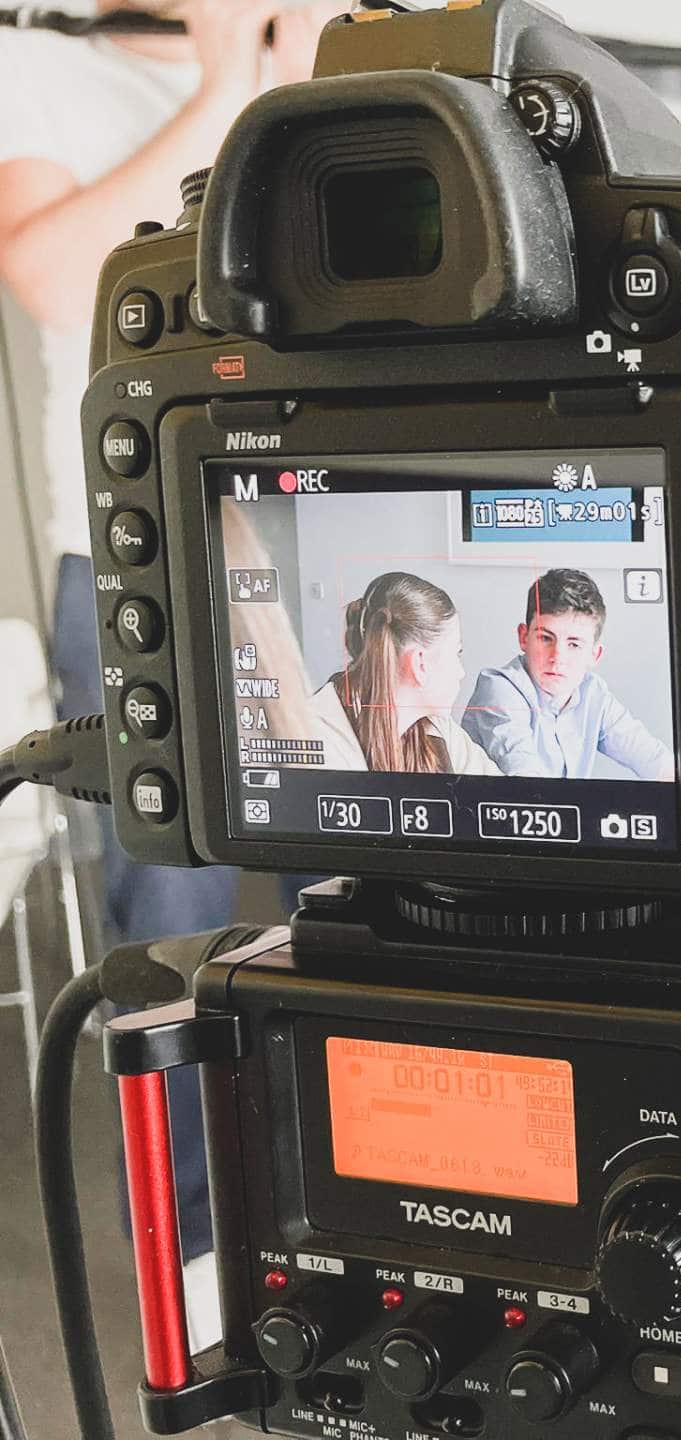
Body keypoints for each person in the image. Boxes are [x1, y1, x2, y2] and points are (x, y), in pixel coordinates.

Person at [0, 0, 334, 1350]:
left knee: (370, 900)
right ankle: (207, 1258)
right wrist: (224, 89)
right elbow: (55, 272)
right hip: (137, 558)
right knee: (175, 915)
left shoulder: (328, 61)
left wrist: (299, 74)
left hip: (324, 536)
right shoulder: (39, 65)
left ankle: (368, 1222)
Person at [462, 568, 674, 781]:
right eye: (546, 638)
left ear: (594, 655)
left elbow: (652, 758)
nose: (557, 657)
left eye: (573, 644)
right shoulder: (499, 689)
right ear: (524, 637)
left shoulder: (593, 692)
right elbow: (526, 780)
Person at [312, 572, 499, 776]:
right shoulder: (318, 739)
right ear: (420, 664)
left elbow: (500, 798)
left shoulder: (439, 729)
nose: (461, 673)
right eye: (457, 653)